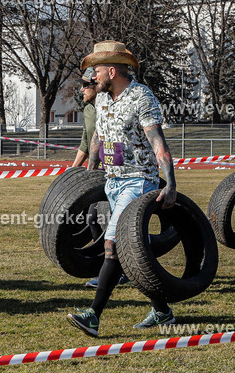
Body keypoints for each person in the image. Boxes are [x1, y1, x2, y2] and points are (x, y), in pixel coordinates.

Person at [66, 41, 178, 337]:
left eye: (98, 71)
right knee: (132, 251)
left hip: (139, 180)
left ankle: (93, 315)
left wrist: (172, 184)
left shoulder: (142, 97)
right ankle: (163, 311)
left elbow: (158, 143)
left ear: (112, 71)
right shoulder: (102, 99)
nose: (93, 77)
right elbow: (98, 140)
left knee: (113, 243)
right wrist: (90, 173)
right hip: (112, 181)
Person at [71, 67, 130, 290]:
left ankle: (119, 271)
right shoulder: (88, 109)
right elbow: (87, 145)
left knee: (105, 219)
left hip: (117, 170)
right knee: (93, 217)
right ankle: (108, 269)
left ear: (98, 87)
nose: (82, 89)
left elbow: (117, 143)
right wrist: (72, 172)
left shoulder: (111, 106)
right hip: (99, 172)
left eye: (86, 85)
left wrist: (112, 169)